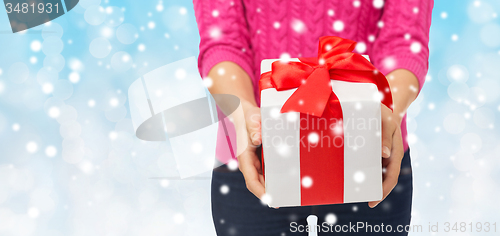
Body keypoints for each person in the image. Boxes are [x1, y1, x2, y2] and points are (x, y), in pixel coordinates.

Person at [193, 0, 433, 235]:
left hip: (372, 147)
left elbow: (405, 40)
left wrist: (391, 108)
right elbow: (221, 40)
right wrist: (242, 111)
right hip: (252, 152)